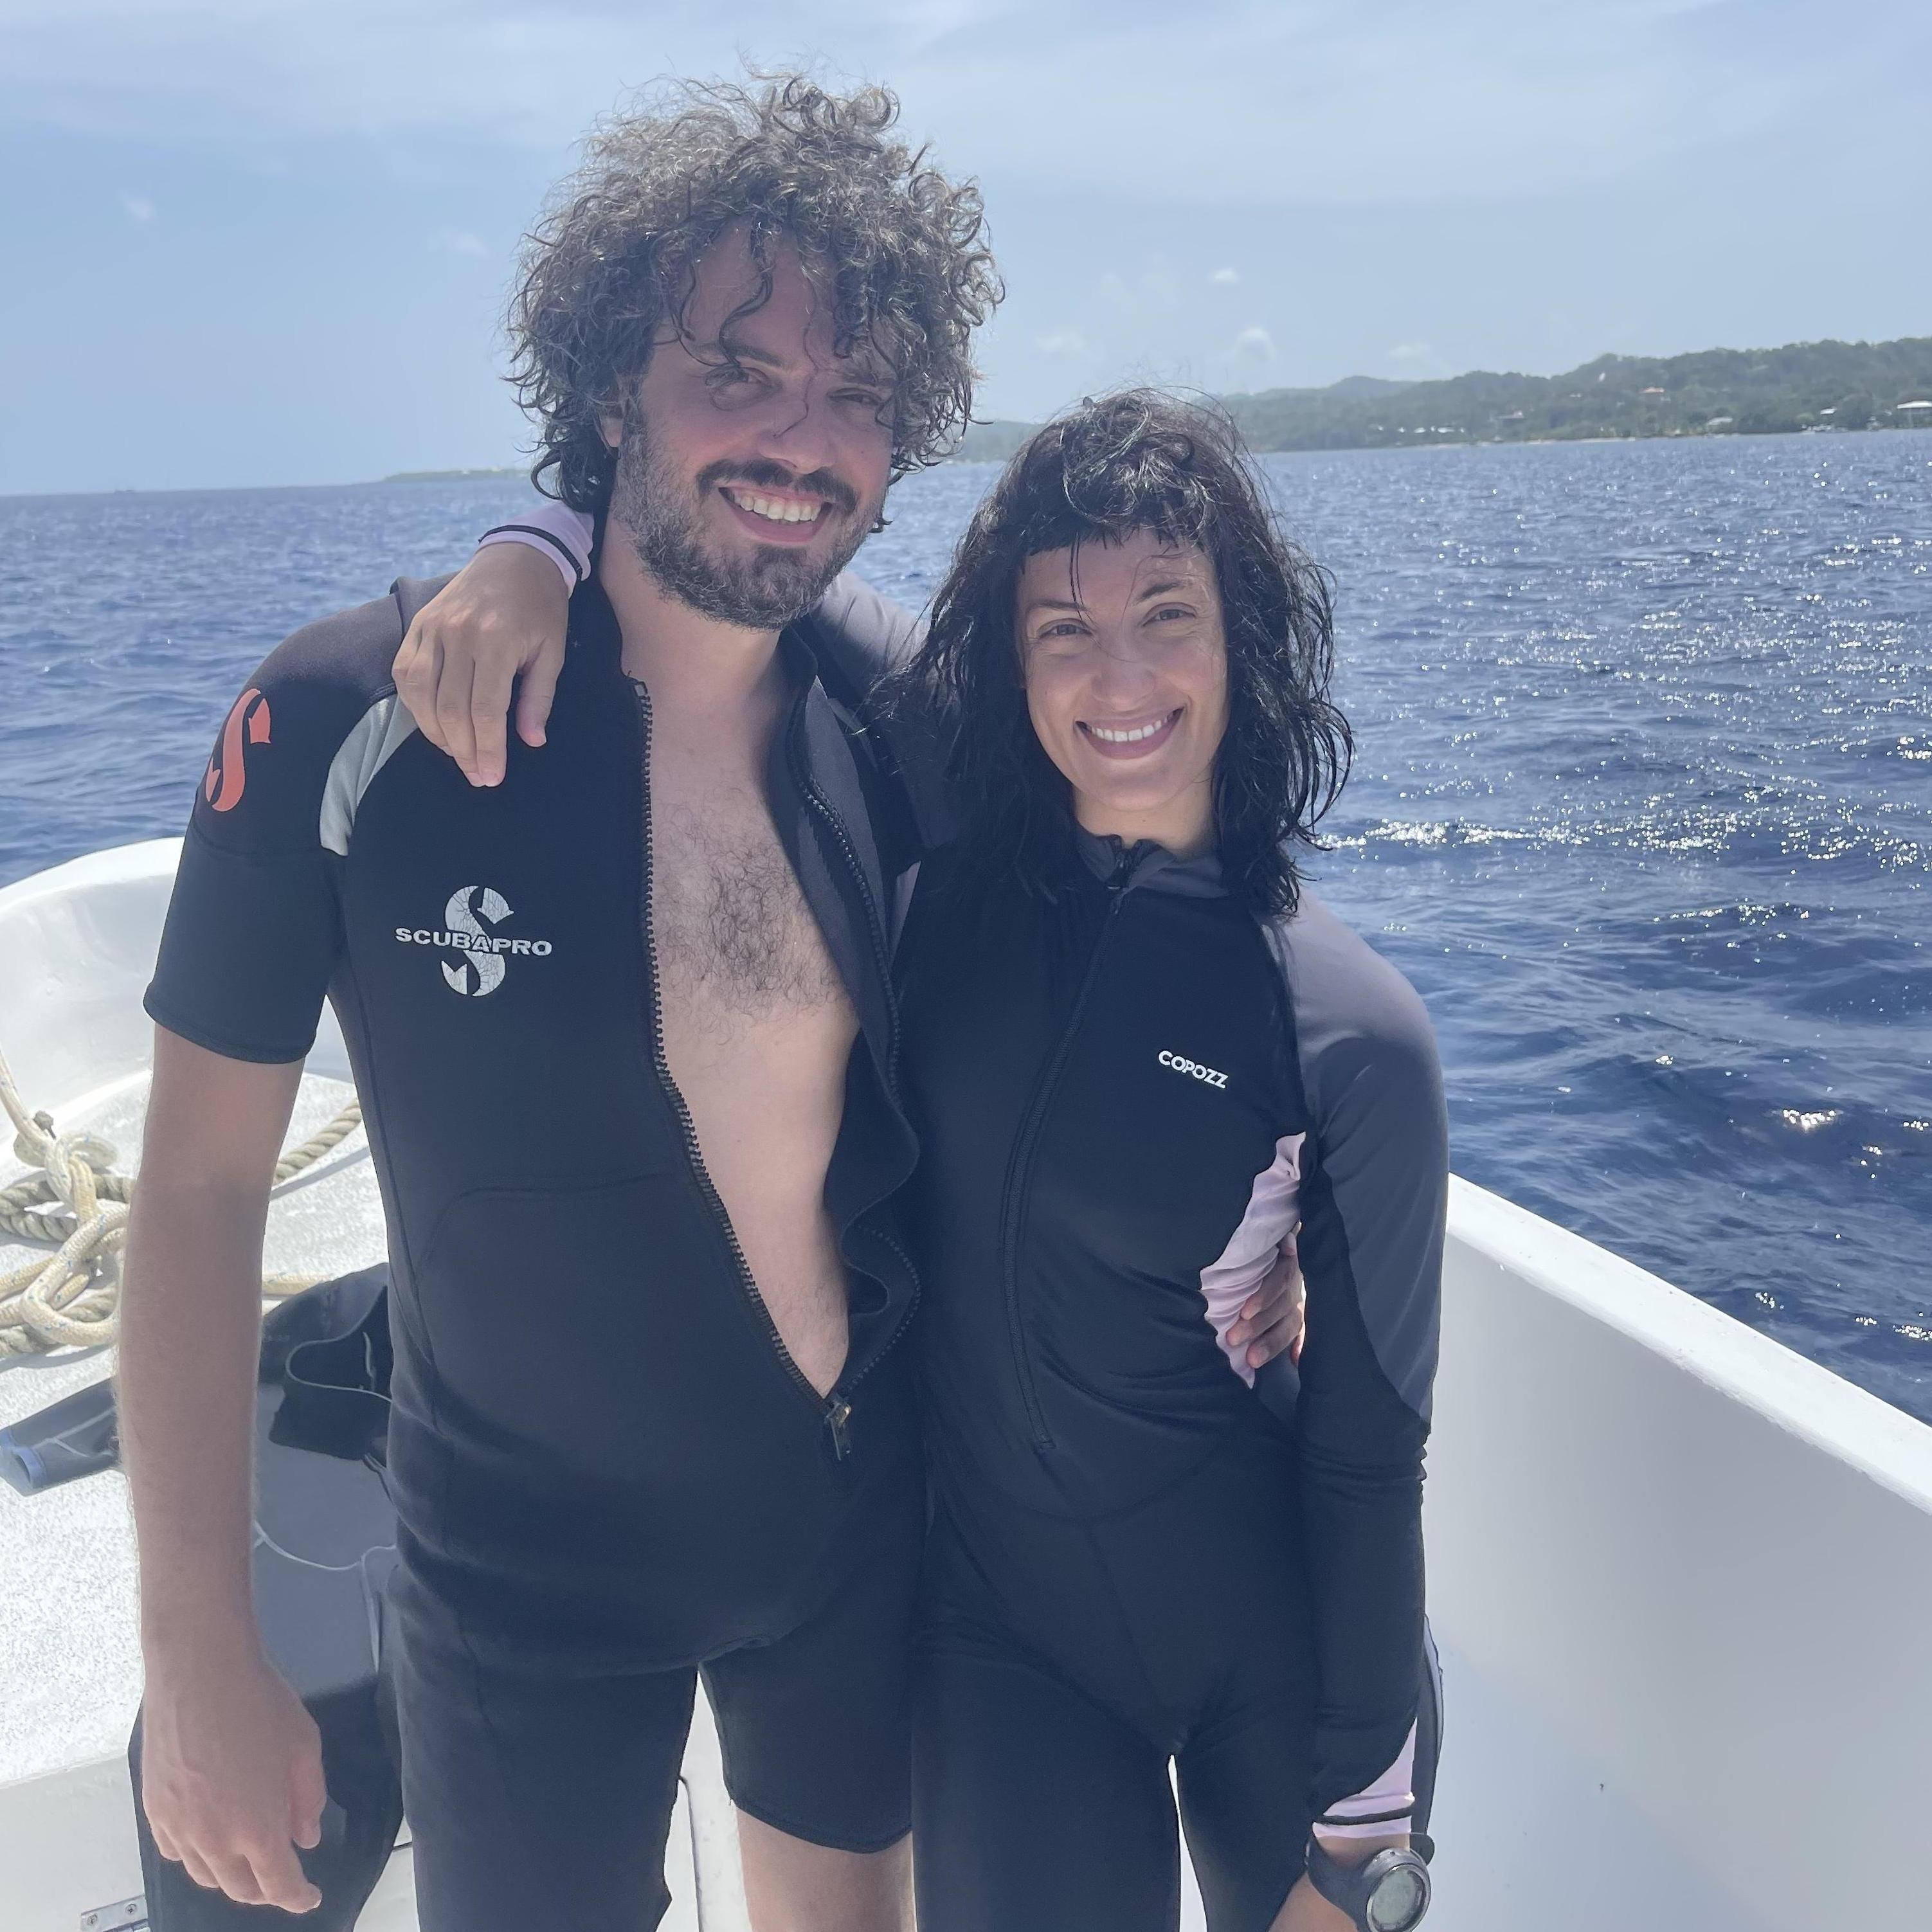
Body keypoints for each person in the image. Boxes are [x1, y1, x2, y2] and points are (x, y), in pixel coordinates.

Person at [120, 78, 1302, 1932]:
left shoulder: (891, 721)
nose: (797, 440)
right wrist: (194, 1650)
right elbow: (191, 1192)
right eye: (733, 372)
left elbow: (1143, 808)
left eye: (851, 395)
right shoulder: (355, 727)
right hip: (518, 1568)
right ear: (609, 386)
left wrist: (1284, 1175)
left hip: (840, 1525)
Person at [404, 393, 1445, 1932]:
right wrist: (535, 541)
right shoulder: (947, 865)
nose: (1122, 680)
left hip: (1271, 1648)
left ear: (1247, 641)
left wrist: (1363, 1848)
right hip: (1006, 1650)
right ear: (1006, 658)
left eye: (1172, 616)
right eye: (1063, 631)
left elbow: (1368, 1458)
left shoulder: (1344, 1031)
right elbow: (755, 558)